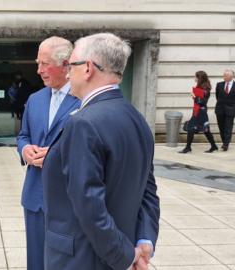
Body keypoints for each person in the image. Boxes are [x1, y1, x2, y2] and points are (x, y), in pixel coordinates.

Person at [42, 33, 160, 270]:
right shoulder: (137, 119)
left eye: (71, 65)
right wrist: (144, 240)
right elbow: (148, 190)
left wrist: (124, 256)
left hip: (81, 258)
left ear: (87, 69)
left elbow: (89, 204)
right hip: (117, 247)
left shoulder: (83, 123)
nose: (67, 73)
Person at [17, 36, 81, 270]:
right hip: (34, 196)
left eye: (45, 64)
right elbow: (23, 135)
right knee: (36, 261)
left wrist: (57, 156)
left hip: (69, 199)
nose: (38, 70)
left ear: (66, 65)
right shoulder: (35, 99)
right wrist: (25, 149)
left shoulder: (84, 100)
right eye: (38, 63)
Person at [179, 71, 218, 153]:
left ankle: (188, 147)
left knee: (191, 128)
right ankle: (213, 146)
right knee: (205, 130)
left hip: (201, 112)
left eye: (196, 77)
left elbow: (203, 101)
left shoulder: (205, 89)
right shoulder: (200, 87)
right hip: (197, 111)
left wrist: (194, 97)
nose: (194, 78)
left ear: (199, 78)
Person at [215, 69, 235, 151]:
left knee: (228, 127)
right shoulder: (219, 85)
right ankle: (224, 142)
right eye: (224, 75)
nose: (224, 77)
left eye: (226, 75)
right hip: (220, 109)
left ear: (231, 76)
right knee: (221, 127)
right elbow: (217, 96)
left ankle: (226, 144)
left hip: (231, 109)